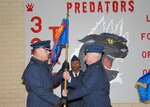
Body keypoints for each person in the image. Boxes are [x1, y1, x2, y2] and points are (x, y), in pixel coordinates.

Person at [21, 40, 68, 107]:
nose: (49, 52)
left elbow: (51, 82)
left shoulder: (41, 66)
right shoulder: (33, 68)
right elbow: (41, 91)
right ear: (39, 51)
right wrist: (59, 101)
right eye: (46, 50)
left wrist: (62, 71)